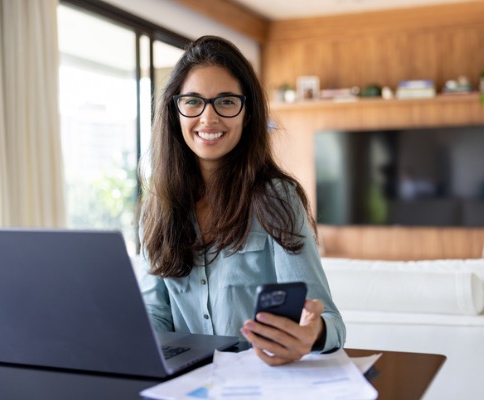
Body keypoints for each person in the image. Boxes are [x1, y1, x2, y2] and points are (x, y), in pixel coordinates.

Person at [136, 35, 346, 366]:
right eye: (193, 101)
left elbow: (329, 320)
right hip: (185, 384)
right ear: (175, 111)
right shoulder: (157, 206)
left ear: (247, 113)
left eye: (226, 101)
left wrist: (312, 333)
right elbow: (155, 312)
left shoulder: (277, 198)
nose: (208, 118)